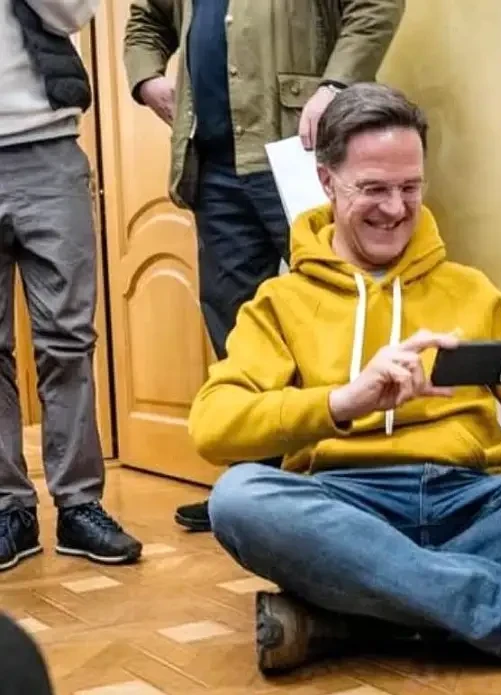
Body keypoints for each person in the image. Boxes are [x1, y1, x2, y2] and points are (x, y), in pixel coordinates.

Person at [191, 82, 501, 673]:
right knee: (240, 498)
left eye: (410, 187)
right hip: (349, 508)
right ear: (326, 182)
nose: (395, 209)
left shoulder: (470, 289)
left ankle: (364, 610)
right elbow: (212, 427)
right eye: (373, 189)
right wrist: (343, 401)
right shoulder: (280, 302)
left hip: (477, 503)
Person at [122, 0, 406, 533]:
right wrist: (146, 79)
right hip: (212, 165)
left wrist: (336, 85)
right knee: (235, 325)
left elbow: (377, 6)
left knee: (342, 308)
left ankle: (362, 480)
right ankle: (257, 485)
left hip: (300, 150)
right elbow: (146, 19)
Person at [1, 0, 143, 573]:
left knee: (67, 338)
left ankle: (80, 505)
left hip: (48, 149)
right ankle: (8, 509)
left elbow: (72, 14)